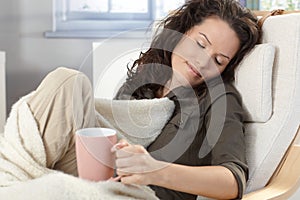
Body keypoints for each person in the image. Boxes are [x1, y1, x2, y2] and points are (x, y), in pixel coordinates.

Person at [26, 0, 259, 199]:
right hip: (101, 178)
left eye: (218, 60)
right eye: (200, 44)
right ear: (182, 31)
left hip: (140, 194)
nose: (203, 61)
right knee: (67, 81)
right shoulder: (145, 80)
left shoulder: (220, 99)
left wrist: (155, 170)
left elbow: (233, 180)